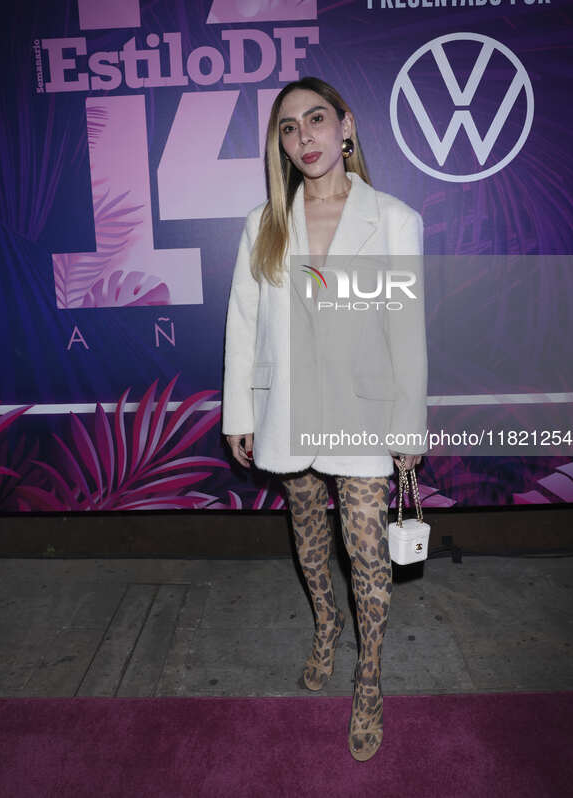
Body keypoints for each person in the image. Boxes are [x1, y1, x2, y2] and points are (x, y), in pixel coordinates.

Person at [222, 76, 428, 762]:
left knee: (366, 551)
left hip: (362, 414)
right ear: (279, 145)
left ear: (344, 127)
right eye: (287, 128)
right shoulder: (263, 224)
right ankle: (323, 627)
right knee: (309, 542)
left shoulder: (394, 219)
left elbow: (408, 333)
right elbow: (245, 324)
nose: (303, 137)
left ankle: (367, 677)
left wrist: (407, 431)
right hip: (288, 409)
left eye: (315, 120)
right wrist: (240, 411)